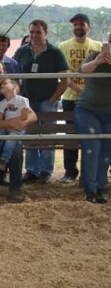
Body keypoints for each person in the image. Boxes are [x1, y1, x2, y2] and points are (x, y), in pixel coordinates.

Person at [13, 20, 69, 184]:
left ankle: (45, 171)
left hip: (47, 101)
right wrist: (19, 98)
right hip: (27, 103)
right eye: (32, 32)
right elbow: (14, 77)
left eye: (38, 32)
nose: (34, 35)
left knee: (47, 136)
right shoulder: (21, 51)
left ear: (46, 33)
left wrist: (52, 100)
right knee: (29, 137)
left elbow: (65, 79)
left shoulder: (55, 52)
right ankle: (32, 170)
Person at [0, 60, 37, 203]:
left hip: (9, 133)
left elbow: (32, 115)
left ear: (4, 72)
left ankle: (15, 188)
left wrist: (22, 123)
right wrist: (9, 123)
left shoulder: (10, 89)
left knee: (16, 145)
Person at [57, 13, 101, 183]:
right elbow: (63, 71)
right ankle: (70, 171)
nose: (78, 27)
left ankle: (88, 173)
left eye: (81, 24)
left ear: (88, 26)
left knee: (90, 136)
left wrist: (86, 91)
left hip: (92, 98)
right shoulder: (63, 46)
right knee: (71, 135)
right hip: (70, 98)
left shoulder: (97, 46)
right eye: (75, 25)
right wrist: (76, 88)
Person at [74, 35, 111, 203]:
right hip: (87, 109)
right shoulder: (94, 55)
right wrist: (97, 61)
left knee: (106, 150)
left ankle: (101, 188)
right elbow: (82, 70)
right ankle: (90, 190)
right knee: (92, 147)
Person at [0, 79, 33, 172]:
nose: (2, 85)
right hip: (6, 127)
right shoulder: (2, 103)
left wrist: (13, 123)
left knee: (11, 139)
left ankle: (4, 160)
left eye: (5, 83)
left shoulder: (22, 100)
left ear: (14, 88)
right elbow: (0, 120)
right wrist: (5, 124)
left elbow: (24, 116)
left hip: (17, 128)